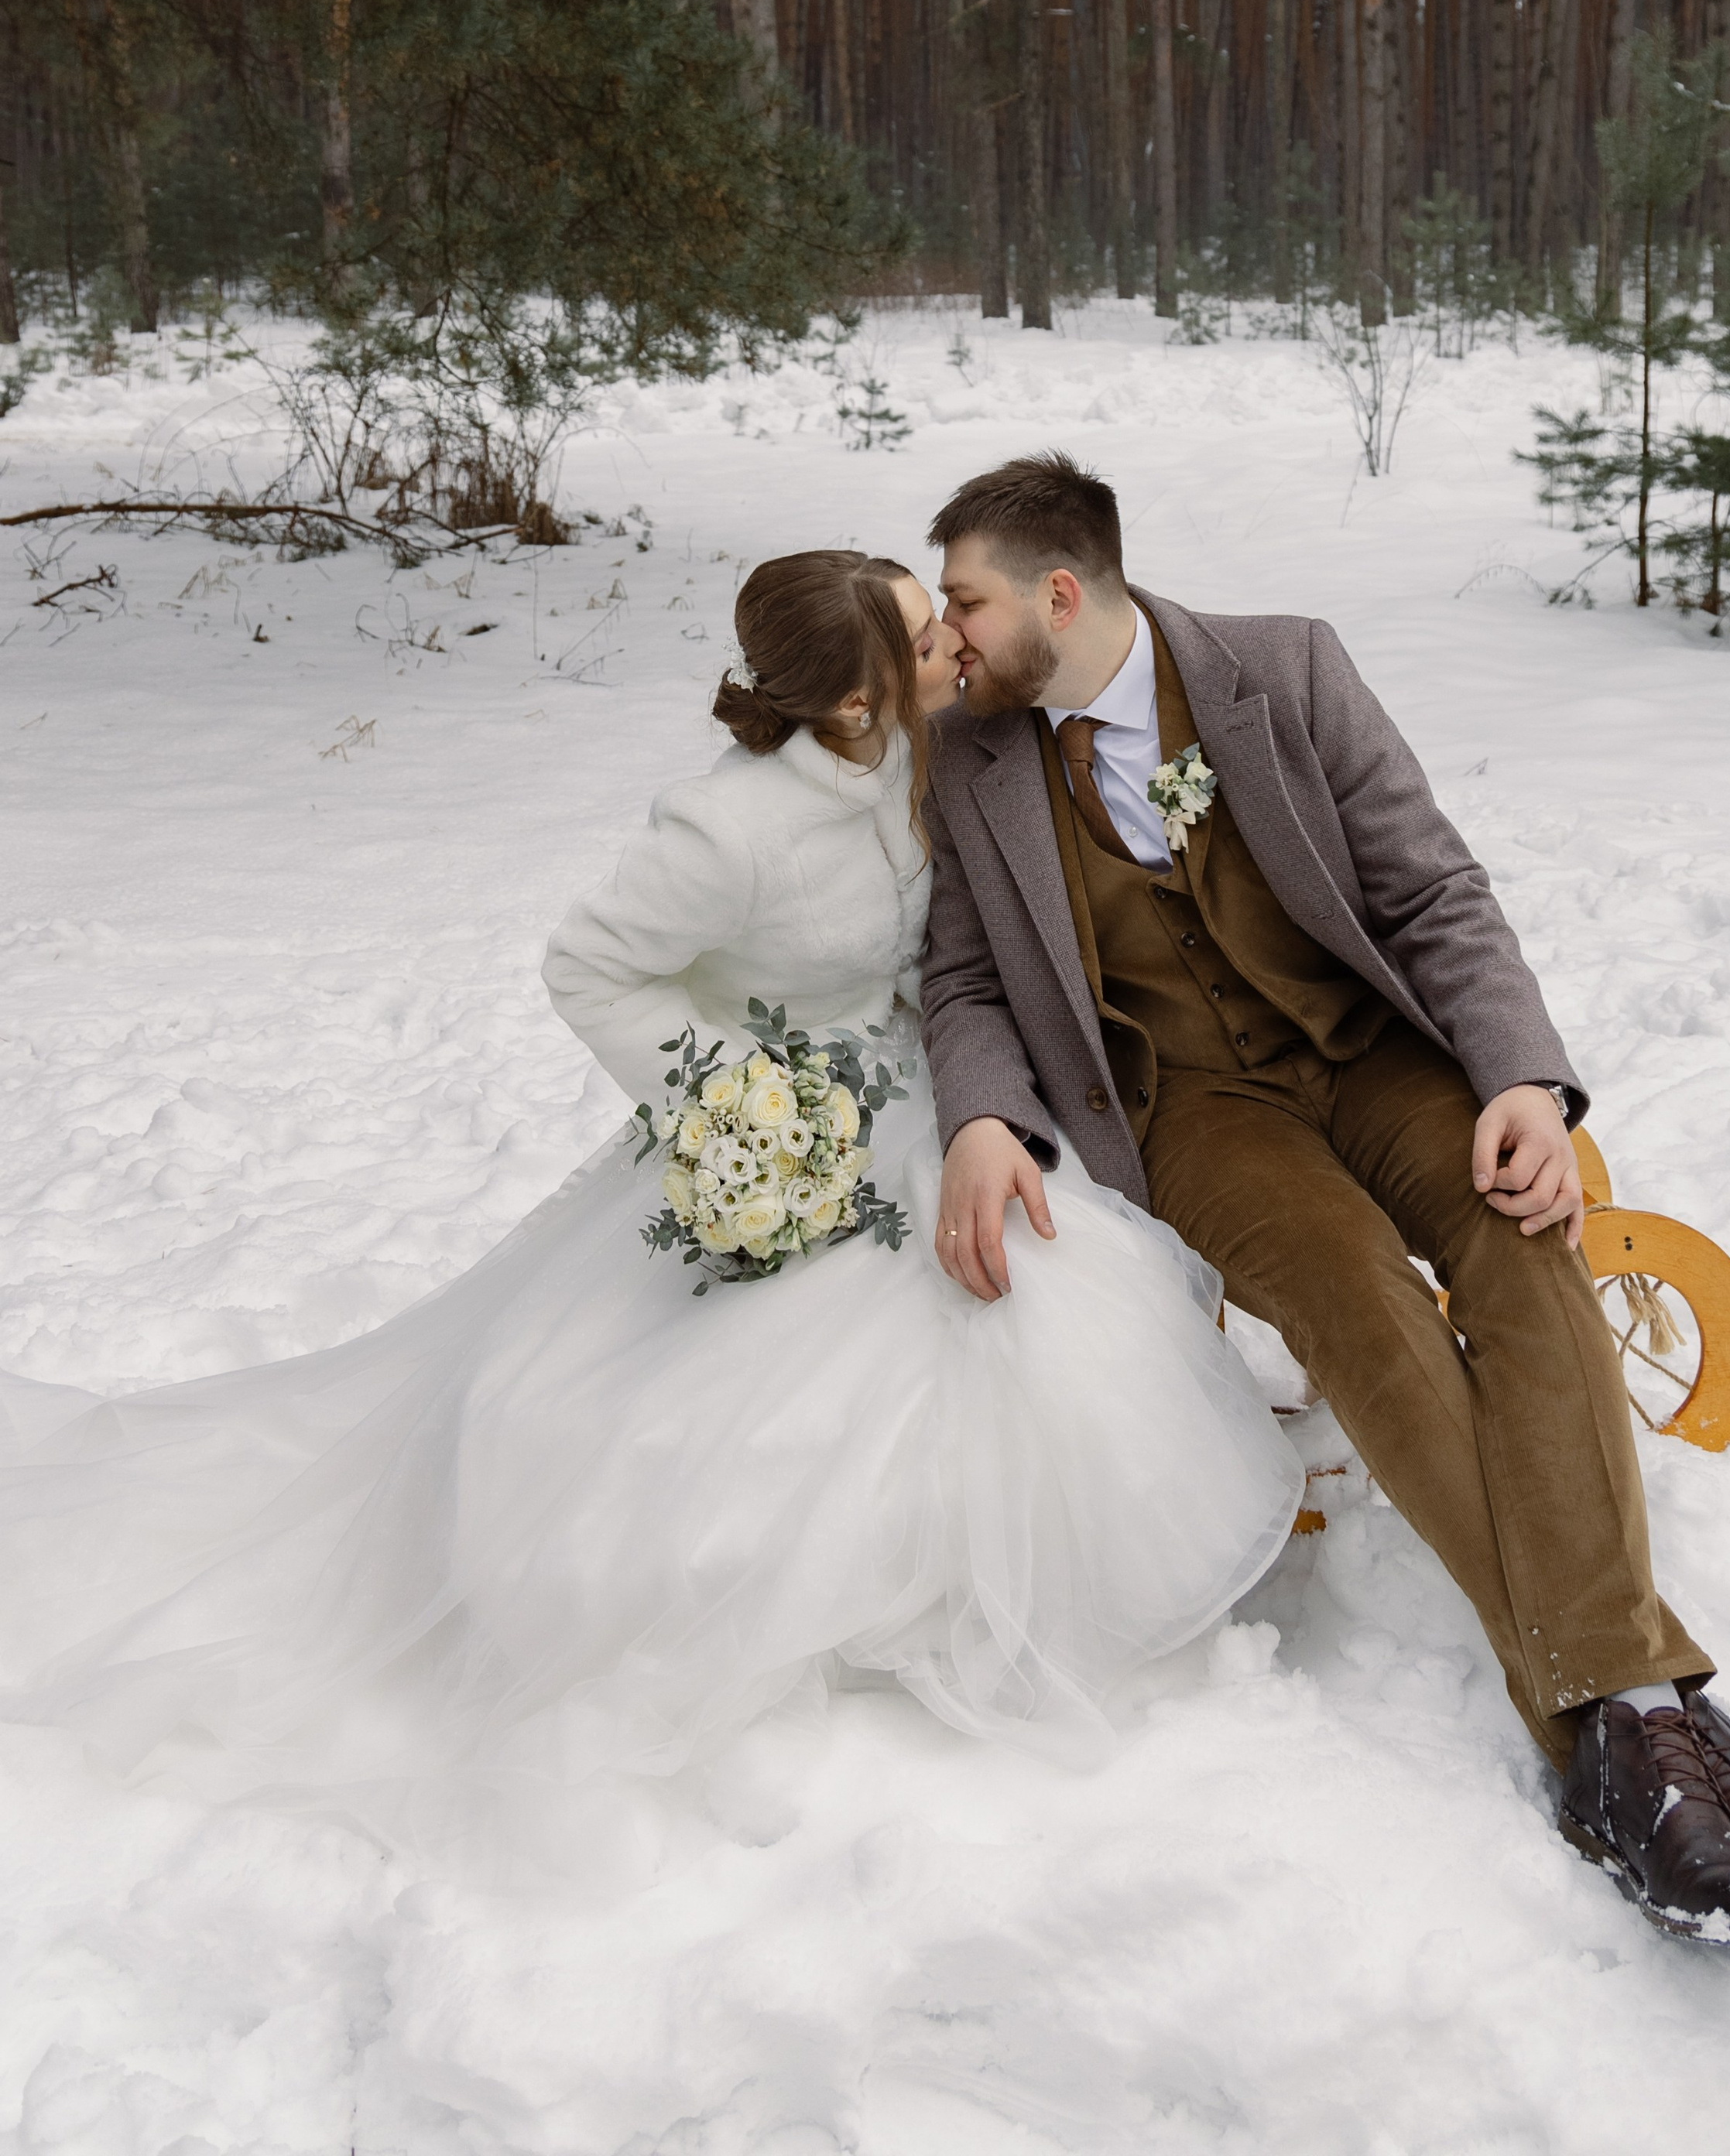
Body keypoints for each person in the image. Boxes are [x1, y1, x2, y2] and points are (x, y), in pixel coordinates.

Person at [0, 549, 1300, 1868]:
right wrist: (739, 1107)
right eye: (920, 637)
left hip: (938, 1094)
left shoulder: (931, 743)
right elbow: (589, 969)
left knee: (1041, 1279)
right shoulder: (723, 831)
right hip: (788, 1123)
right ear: (850, 706)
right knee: (783, 1388)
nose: (947, 646)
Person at [920, 451, 1730, 1952]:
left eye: (963, 600)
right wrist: (981, 1118)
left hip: (1363, 1050)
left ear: (1059, 594)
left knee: (1519, 1239)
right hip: (1193, 1114)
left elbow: (1429, 889)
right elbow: (960, 976)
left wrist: (1521, 1086)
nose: (947, 635)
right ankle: (1631, 1713)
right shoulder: (964, 758)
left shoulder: (1282, 673)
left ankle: (1612, 1729)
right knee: (1358, 1299)